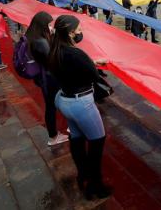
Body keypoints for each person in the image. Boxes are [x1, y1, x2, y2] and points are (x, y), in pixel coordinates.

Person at [48, 15, 111, 200]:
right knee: (97, 141)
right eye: (79, 30)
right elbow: (93, 75)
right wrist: (93, 64)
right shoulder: (76, 54)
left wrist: (90, 61)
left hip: (64, 100)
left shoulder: (55, 49)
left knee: (77, 138)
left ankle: (82, 174)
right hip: (81, 103)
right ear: (70, 32)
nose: (81, 32)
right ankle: (95, 185)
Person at [26, 12, 69, 146]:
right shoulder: (40, 42)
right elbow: (52, 60)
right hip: (49, 79)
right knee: (52, 106)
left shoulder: (32, 36)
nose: (51, 26)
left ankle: (59, 132)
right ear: (43, 25)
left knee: (53, 105)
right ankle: (53, 136)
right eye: (49, 24)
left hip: (43, 77)